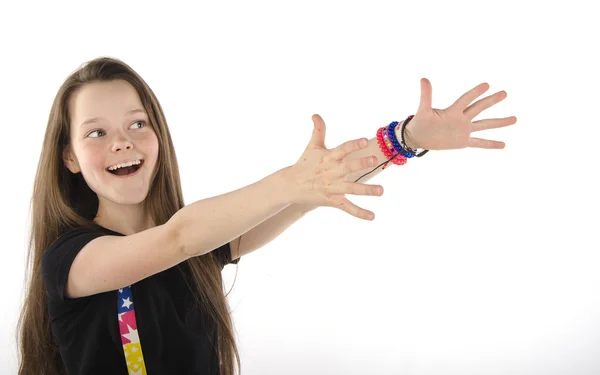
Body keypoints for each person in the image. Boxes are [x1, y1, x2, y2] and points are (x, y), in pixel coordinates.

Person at [16, 56, 516, 375]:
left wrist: (405, 140)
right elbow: (177, 240)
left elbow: (305, 194)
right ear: (69, 158)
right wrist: (289, 180)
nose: (121, 139)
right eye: (96, 132)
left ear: (158, 137)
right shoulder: (71, 261)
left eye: (137, 123)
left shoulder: (205, 239)